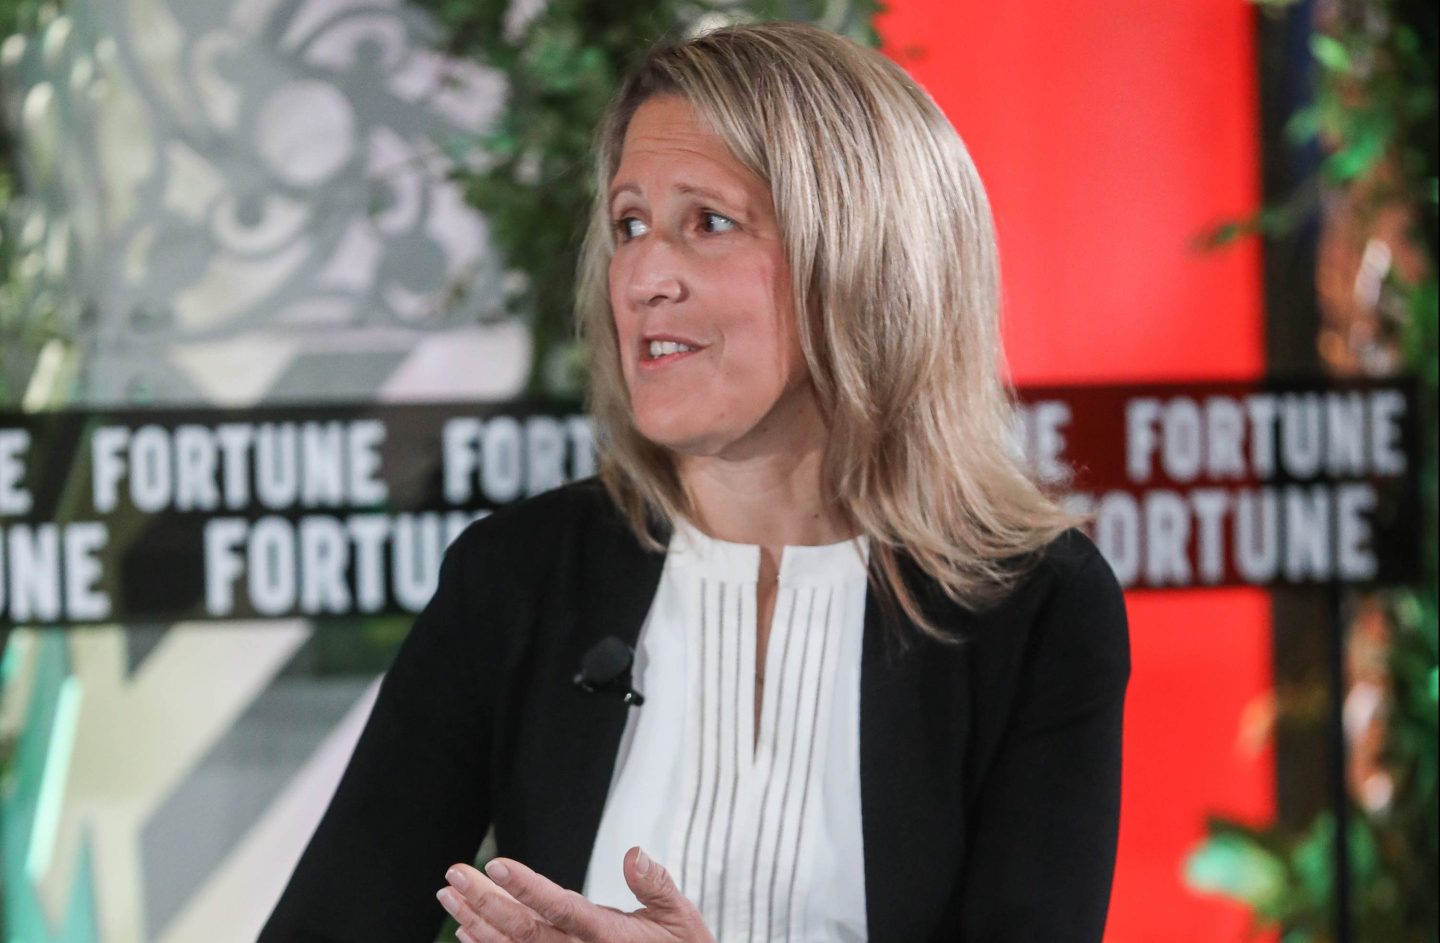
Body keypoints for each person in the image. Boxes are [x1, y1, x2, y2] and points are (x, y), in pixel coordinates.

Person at [262, 21, 1129, 943]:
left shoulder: (1034, 605)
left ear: (862, 257)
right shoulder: (516, 576)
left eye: (709, 222)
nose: (643, 277)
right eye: (630, 225)